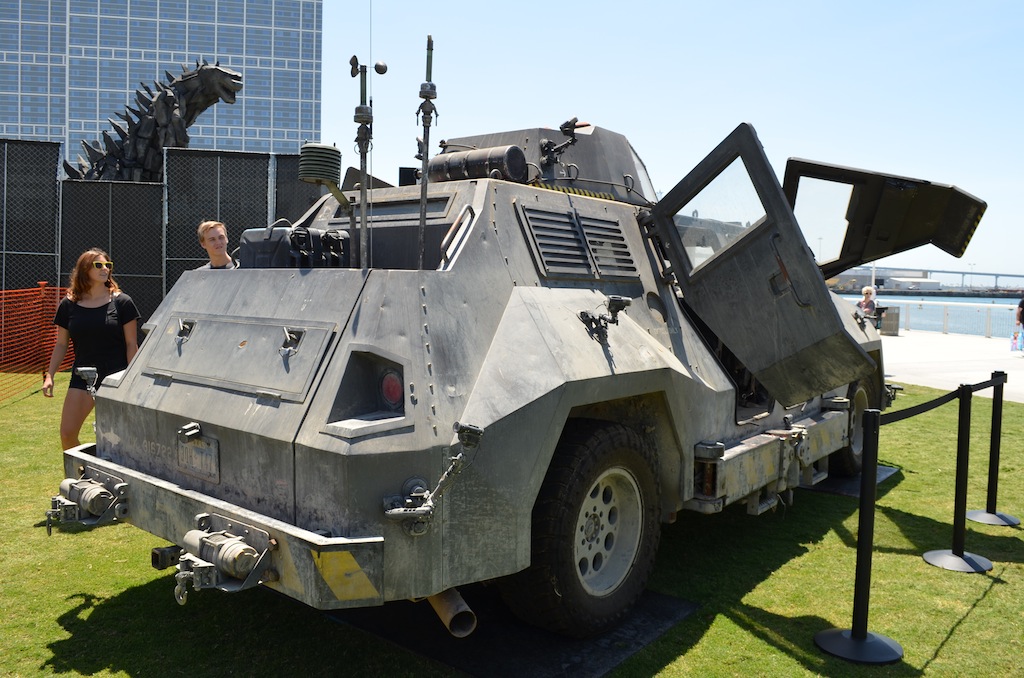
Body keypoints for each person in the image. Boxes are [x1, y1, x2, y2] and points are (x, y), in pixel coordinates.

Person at [42, 249, 140, 450]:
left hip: (117, 377)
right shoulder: (68, 304)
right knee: (67, 434)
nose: (105, 269)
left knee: (120, 442)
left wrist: (133, 379)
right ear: (85, 270)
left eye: (108, 265)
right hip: (83, 376)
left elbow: (131, 344)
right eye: (98, 265)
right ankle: (82, 478)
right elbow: (61, 344)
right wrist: (50, 375)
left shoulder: (122, 302)